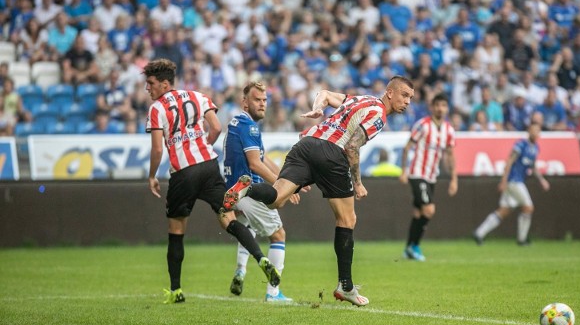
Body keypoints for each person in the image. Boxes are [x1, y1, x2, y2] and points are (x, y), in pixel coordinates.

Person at [223, 75, 415, 306]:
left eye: (411, 98)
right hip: (332, 152)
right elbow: (352, 147)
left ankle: (248, 188)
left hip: (306, 143)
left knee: (276, 199)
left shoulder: (359, 99)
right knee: (347, 218)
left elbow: (323, 93)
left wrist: (317, 109)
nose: (408, 102)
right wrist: (358, 182)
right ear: (390, 92)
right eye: (404, 95)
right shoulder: (379, 114)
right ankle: (346, 286)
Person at [143, 59, 280, 304]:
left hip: (183, 172)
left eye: (151, 83)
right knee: (228, 217)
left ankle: (176, 290)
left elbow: (156, 149)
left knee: (177, 230)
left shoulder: (157, 108)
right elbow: (216, 127)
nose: (147, 88)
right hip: (208, 166)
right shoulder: (198, 96)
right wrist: (202, 146)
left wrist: (152, 175)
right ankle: (261, 258)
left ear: (164, 84)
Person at [224, 81, 297, 302]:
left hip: (232, 190)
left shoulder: (236, 123)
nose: (262, 104)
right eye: (257, 100)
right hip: (248, 190)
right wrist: (282, 188)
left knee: (247, 228)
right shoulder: (250, 127)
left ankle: (241, 270)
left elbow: (263, 159)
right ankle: (273, 293)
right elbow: (255, 165)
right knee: (278, 234)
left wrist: (286, 178)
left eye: (264, 100)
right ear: (244, 102)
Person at [399, 93, 458, 261]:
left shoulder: (448, 130)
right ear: (432, 107)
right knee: (429, 210)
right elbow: (407, 147)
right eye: (437, 105)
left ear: (447, 108)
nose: (440, 108)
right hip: (418, 173)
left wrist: (454, 178)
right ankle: (415, 246)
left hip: (432, 176)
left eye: (443, 105)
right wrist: (404, 171)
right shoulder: (423, 125)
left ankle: (408, 249)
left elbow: (450, 154)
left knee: (418, 213)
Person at [473, 122, 550, 245]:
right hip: (514, 180)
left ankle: (479, 233)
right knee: (528, 207)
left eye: (538, 131)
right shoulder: (520, 145)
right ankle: (522, 239)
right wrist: (503, 180)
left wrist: (542, 180)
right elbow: (509, 161)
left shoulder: (535, 148)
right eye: (533, 130)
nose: (535, 133)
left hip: (516, 181)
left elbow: (533, 167)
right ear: (528, 131)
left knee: (504, 210)